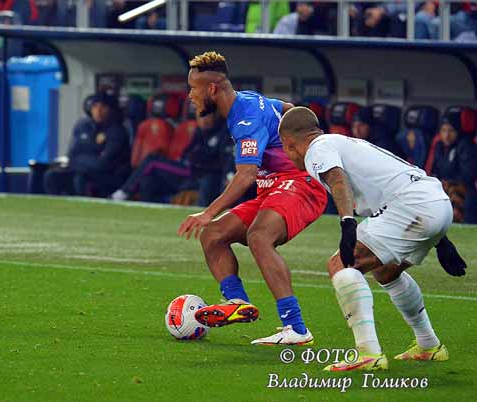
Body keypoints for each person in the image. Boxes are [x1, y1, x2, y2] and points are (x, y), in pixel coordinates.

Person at [278, 106, 467, 371]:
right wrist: (441, 239)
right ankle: (429, 345)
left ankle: (368, 354)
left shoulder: (316, 149)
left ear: (289, 144)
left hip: (411, 206)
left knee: (340, 265)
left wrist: (347, 223)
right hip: (434, 201)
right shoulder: (343, 142)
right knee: (386, 271)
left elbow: (337, 180)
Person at [178, 51, 328, 345]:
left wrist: (207, 212)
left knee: (259, 236)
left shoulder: (245, 118)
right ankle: (237, 302)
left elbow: (246, 175)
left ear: (211, 89)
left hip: (300, 184)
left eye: (193, 88)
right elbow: (288, 109)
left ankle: (296, 327)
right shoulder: (247, 100)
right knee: (213, 235)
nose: (189, 96)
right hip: (272, 187)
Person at [111, 112, 232, 206]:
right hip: (187, 169)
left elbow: (225, 158)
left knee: (153, 161)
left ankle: (124, 191)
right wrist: (183, 158)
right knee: (148, 179)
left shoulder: (223, 133)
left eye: (207, 116)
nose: (204, 120)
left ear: (215, 117)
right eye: (200, 116)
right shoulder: (199, 131)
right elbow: (188, 151)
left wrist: (228, 174)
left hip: (199, 172)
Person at [43, 92, 130, 197]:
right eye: (95, 106)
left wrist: (81, 159)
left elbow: (102, 164)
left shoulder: (117, 131)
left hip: (109, 177)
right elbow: (71, 156)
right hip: (81, 171)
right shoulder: (82, 126)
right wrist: (89, 158)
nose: (98, 111)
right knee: (52, 176)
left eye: (103, 107)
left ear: (110, 109)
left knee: (80, 179)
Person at [428, 116, 477, 223]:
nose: (447, 135)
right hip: (444, 186)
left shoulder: (465, 145)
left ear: (457, 131)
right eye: (443, 130)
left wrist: (451, 183)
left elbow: (468, 175)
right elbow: (435, 170)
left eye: (451, 131)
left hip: (463, 189)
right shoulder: (439, 146)